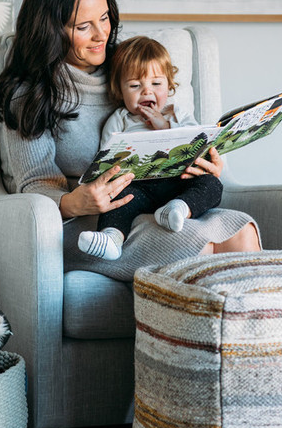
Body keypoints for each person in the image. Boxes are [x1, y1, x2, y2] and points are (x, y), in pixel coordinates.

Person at [0, 0, 260, 283]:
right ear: (52, 29)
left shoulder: (126, 67)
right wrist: (74, 203)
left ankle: (244, 333)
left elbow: (173, 122)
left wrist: (202, 163)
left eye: (104, 18)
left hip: (154, 201)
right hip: (89, 224)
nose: (100, 34)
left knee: (242, 231)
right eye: (83, 27)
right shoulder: (29, 92)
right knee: (194, 246)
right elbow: (33, 186)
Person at [78, 36, 224, 260]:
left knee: (212, 184)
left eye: (156, 84)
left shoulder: (178, 114)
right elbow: (105, 161)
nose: (147, 92)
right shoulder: (120, 120)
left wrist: (164, 126)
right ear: (120, 90)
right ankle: (111, 238)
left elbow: (197, 142)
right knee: (118, 199)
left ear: (169, 85)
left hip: (178, 183)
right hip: (138, 188)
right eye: (135, 86)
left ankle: (178, 209)